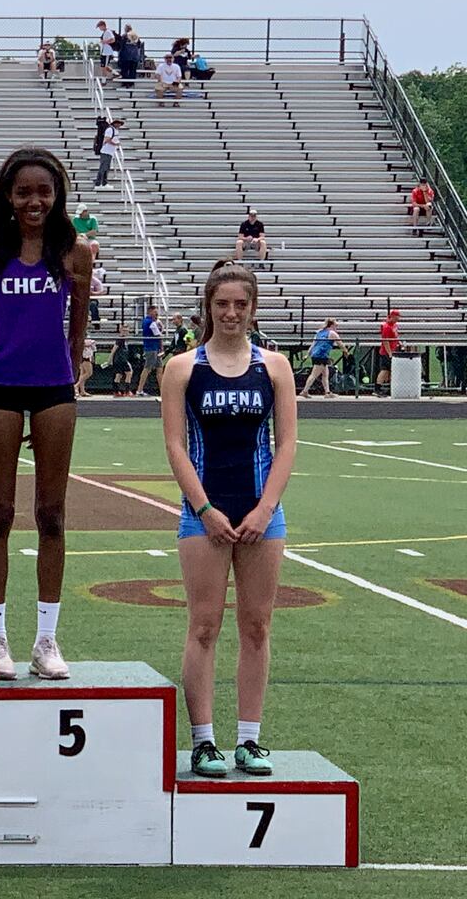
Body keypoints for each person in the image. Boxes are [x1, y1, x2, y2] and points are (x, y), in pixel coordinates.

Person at [160, 260, 297, 778]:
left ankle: (250, 739)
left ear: (254, 307)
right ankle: (203, 742)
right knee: (203, 624)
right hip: (204, 515)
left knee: (257, 625)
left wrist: (265, 509)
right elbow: (175, 446)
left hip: (263, 513)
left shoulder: (276, 367)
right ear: (208, 308)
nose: (232, 313)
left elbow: (286, 445)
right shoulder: (182, 368)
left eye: (241, 304)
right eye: (222, 304)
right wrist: (204, 509)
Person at [0, 147, 92, 681]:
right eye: (23, 192)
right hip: (0, 389)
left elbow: (77, 327)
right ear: (8, 197)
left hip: (55, 391)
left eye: (44, 191)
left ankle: (46, 640)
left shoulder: (75, 252)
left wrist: (68, 376)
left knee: (52, 515)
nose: (34, 201)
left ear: (57, 195)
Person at [302, 318, 344, 397]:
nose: (336, 328)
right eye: (335, 326)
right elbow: (340, 344)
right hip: (321, 355)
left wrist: (308, 354)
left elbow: (313, 344)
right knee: (314, 375)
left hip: (317, 355)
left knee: (325, 374)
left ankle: (327, 392)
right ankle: (305, 391)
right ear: (331, 325)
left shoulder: (319, 332)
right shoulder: (332, 333)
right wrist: (346, 352)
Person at [134, 301, 163, 396]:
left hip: (155, 348)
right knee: (147, 368)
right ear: (150, 312)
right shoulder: (150, 322)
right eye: (155, 313)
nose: (157, 315)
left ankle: (162, 390)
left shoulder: (148, 322)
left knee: (159, 369)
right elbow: (158, 335)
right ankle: (139, 390)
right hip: (151, 348)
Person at [377, 308, 402, 392]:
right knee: (384, 370)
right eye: (397, 316)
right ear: (393, 316)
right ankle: (377, 388)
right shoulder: (386, 326)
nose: (398, 318)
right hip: (386, 352)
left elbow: (395, 336)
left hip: (393, 350)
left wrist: (399, 343)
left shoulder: (394, 325)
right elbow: (385, 340)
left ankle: (391, 388)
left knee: (391, 370)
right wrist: (389, 353)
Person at [94, 118, 123, 188]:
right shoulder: (110, 130)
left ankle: (104, 183)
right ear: (114, 123)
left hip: (110, 152)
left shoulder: (115, 130)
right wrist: (115, 144)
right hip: (106, 152)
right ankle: (98, 183)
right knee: (103, 168)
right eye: (117, 123)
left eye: (120, 123)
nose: (119, 125)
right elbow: (107, 139)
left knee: (106, 168)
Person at [110, 322, 132, 396]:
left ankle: (117, 391)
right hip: (120, 359)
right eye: (124, 330)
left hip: (122, 359)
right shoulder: (120, 339)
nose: (126, 331)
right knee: (128, 373)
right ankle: (126, 391)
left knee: (119, 375)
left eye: (127, 330)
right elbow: (114, 349)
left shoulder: (125, 340)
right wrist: (110, 359)